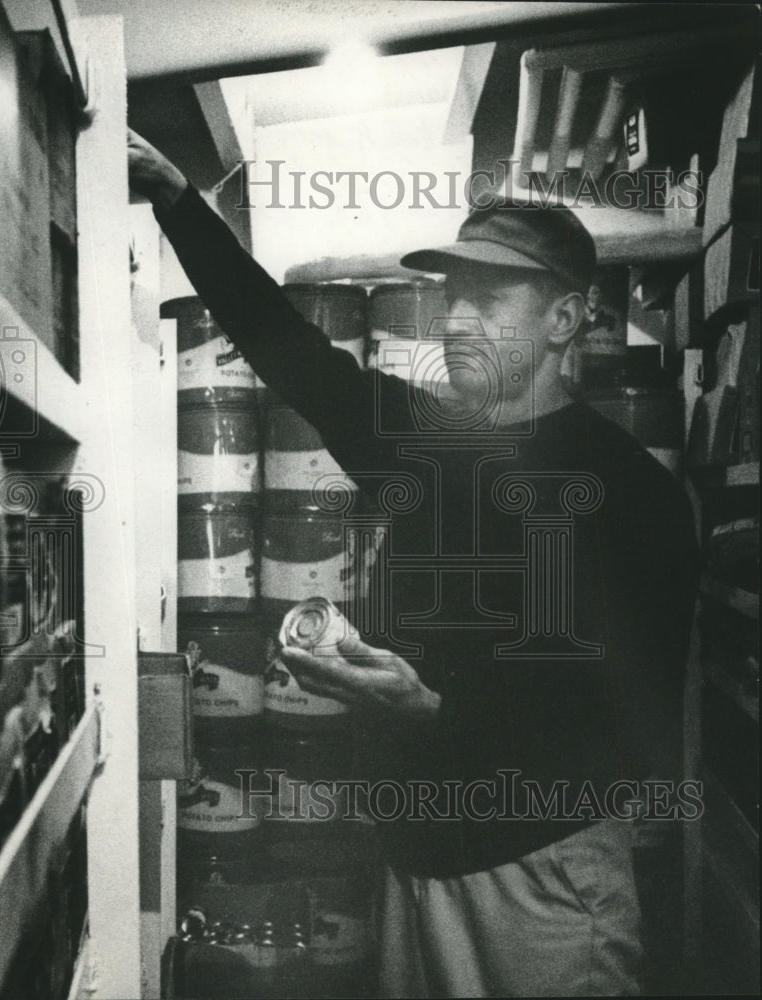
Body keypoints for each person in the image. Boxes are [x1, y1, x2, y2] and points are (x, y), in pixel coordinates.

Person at [128, 131, 700, 997]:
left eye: (491, 295)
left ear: (565, 318)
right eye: (453, 296)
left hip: (536, 879)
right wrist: (176, 200)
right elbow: (292, 354)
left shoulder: (632, 494)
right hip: (415, 859)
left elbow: (626, 732)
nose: (459, 319)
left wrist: (431, 707)